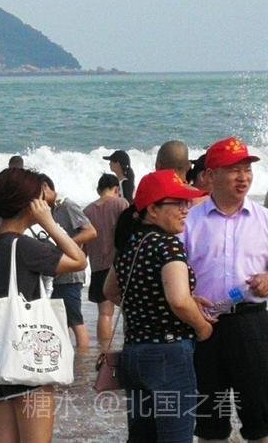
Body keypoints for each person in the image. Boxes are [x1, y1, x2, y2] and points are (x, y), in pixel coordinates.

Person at [103, 169, 211, 442]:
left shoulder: (131, 244)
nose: (186, 209)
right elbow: (179, 301)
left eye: (187, 202)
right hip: (169, 354)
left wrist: (150, 305)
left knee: (142, 437)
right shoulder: (168, 246)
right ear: (152, 209)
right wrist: (202, 327)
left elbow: (110, 291)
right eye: (178, 203)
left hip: (134, 353)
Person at [0, 168, 86, 443]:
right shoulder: (24, 246)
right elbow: (79, 260)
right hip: (28, 359)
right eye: (40, 199)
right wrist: (49, 223)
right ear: (31, 205)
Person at [180, 136, 268, 442]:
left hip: (252, 323)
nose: (243, 177)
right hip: (205, 326)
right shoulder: (189, 221)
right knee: (209, 419)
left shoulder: (264, 220)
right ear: (210, 175)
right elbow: (172, 272)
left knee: (260, 418)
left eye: (247, 169)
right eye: (234, 170)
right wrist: (188, 299)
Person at [40, 174, 97, 349]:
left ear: (45, 187)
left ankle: (83, 359)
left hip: (71, 275)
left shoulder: (67, 205)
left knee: (75, 320)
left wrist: (66, 245)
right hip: (58, 273)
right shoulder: (48, 211)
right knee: (60, 321)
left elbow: (91, 232)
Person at [82, 173, 130, 346]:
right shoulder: (121, 203)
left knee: (104, 314)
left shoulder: (87, 210)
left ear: (98, 189)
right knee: (128, 311)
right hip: (119, 264)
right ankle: (129, 344)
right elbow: (128, 231)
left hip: (97, 266)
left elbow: (84, 243)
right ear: (116, 189)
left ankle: (103, 351)